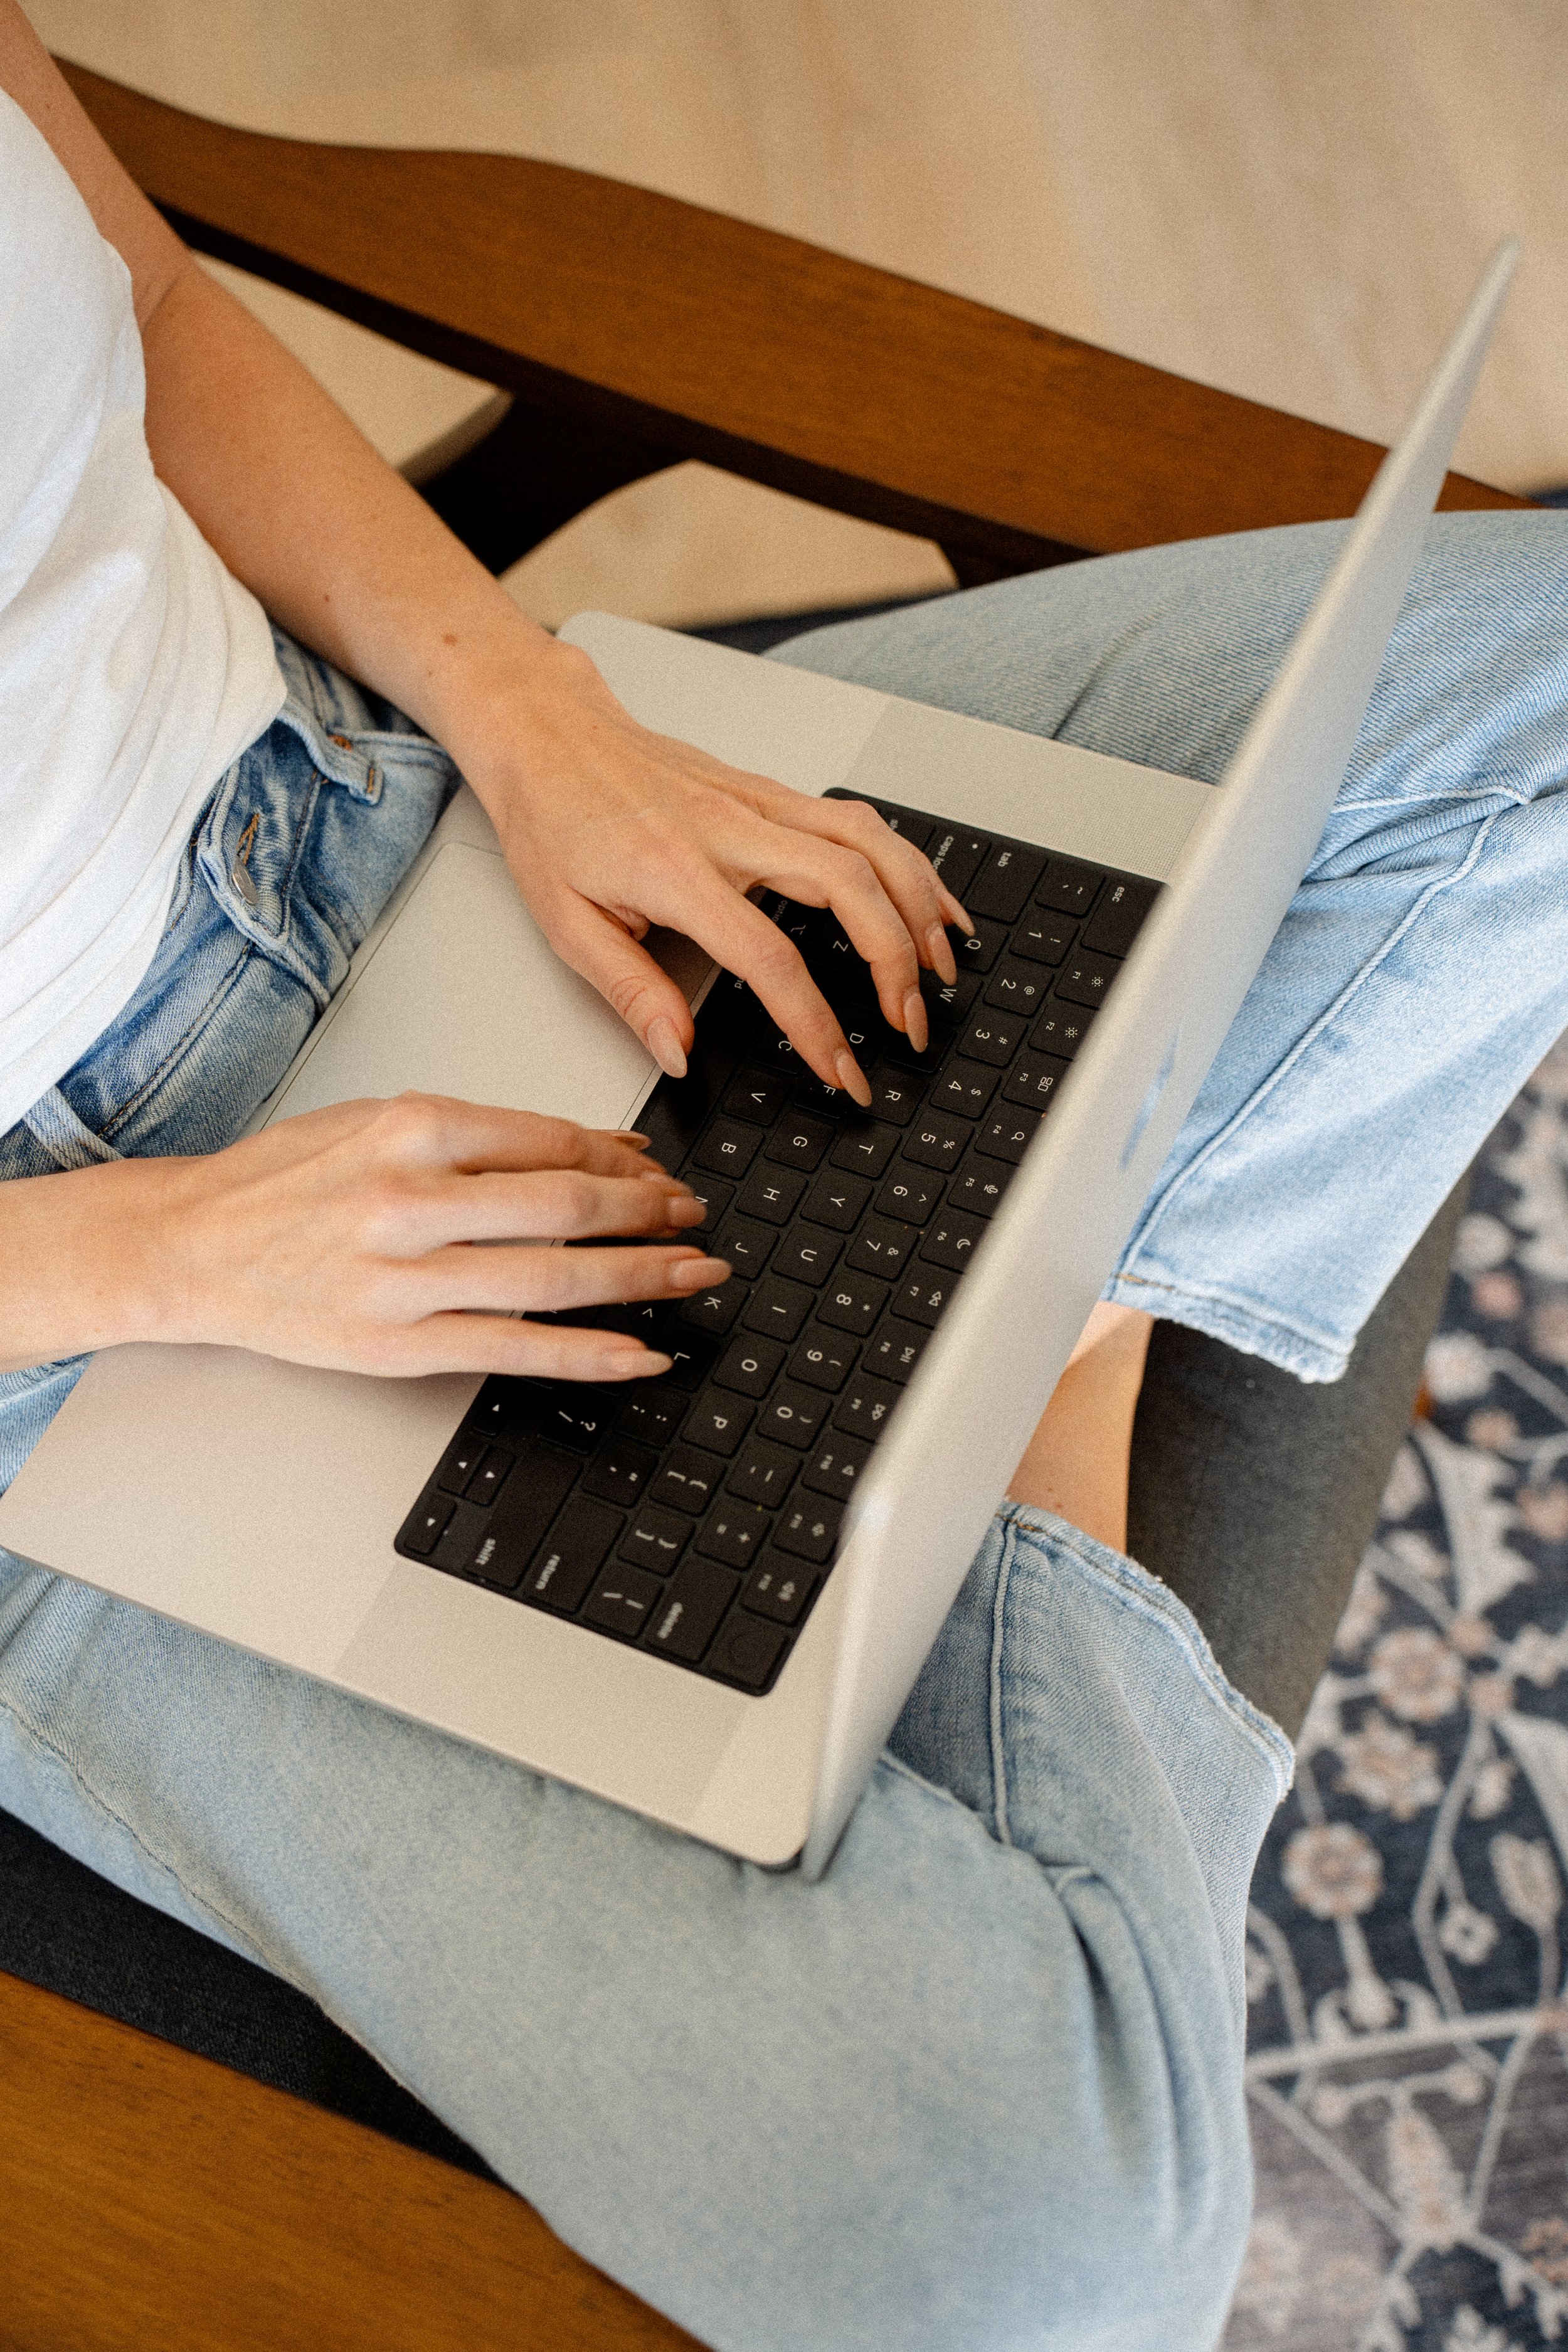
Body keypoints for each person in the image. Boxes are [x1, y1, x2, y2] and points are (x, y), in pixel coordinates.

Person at [3, 12, 1566, 2346]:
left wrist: (537, 723)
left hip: (379, 792)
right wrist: (168, 1245)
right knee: (1044, 2257)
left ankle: (1039, 1261)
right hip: (82, 1347)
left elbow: (140, 295)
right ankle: (1067, 1350)